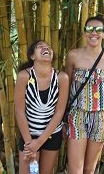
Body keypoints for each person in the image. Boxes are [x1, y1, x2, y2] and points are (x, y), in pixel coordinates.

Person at [65, 15, 104, 174]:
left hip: (101, 118)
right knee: (75, 170)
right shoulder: (73, 56)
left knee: (89, 170)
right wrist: (63, 120)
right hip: (77, 115)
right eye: (89, 29)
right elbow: (66, 89)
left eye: (98, 30)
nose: (93, 33)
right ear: (84, 32)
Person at [14, 40, 69, 174]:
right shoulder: (24, 76)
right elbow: (19, 111)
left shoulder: (62, 77)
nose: (46, 48)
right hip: (29, 134)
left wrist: (39, 142)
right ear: (32, 56)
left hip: (51, 134)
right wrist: (30, 144)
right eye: (40, 47)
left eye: (49, 47)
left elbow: (59, 112)